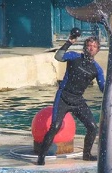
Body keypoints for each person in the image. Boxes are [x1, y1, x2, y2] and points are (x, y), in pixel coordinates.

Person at [37, 35, 105, 165]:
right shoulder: (74, 56)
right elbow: (58, 57)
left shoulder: (97, 69)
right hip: (63, 96)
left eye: (94, 46)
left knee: (92, 127)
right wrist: (69, 42)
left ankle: (87, 154)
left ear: (97, 50)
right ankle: (41, 157)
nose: (91, 48)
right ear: (85, 47)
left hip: (78, 100)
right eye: (89, 45)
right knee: (55, 126)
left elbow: (103, 88)